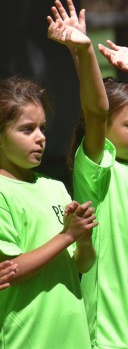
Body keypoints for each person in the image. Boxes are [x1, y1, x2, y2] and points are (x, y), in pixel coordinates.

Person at [48, 0, 128, 348]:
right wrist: (85, 51)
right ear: (105, 130)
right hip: (115, 338)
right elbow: (96, 108)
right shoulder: (98, 172)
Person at [0, 76, 95, 348]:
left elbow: (81, 264)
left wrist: (83, 238)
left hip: (74, 334)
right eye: (27, 129)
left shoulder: (54, 187)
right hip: (29, 338)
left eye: (42, 128)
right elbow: (11, 270)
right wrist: (66, 236)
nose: (40, 138)